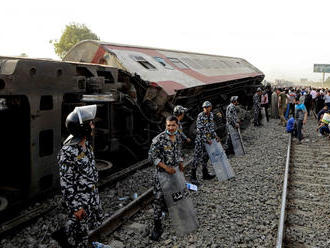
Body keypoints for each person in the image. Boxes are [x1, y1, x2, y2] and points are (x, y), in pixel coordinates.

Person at [53, 105, 104, 248]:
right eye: (90, 123)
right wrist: (76, 207)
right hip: (80, 199)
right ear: (83, 128)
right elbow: (66, 184)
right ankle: (67, 238)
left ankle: (63, 234)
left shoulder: (86, 144)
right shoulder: (67, 152)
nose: (93, 126)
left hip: (91, 195)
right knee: (81, 235)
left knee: (89, 227)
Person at [148, 115, 184, 241]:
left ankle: (176, 214)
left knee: (176, 193)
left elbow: (178, 152)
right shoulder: (159, 139)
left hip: (174, 173)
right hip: (161, 175)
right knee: (158, 199)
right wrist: (166, 167)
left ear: (177, 125)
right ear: (165, 125)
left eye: (173, 125)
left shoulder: (178, 137)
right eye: (168, 125)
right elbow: (152, 157)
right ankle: (157, 227)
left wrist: (180, 163)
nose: (171, 127)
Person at [191, 101, 218, 184]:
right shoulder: (200, 116)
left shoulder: (211, 115)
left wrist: (215, 136)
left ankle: (205, 174)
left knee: (205, 157)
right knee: (197, 157)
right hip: (200, 141)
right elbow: (200, 130)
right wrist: (206, 139)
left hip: (208, 140)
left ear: (210, 107)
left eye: (207, 107)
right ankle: (193, 177)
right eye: (204, 108)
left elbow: (211, 128)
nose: (206, 109)